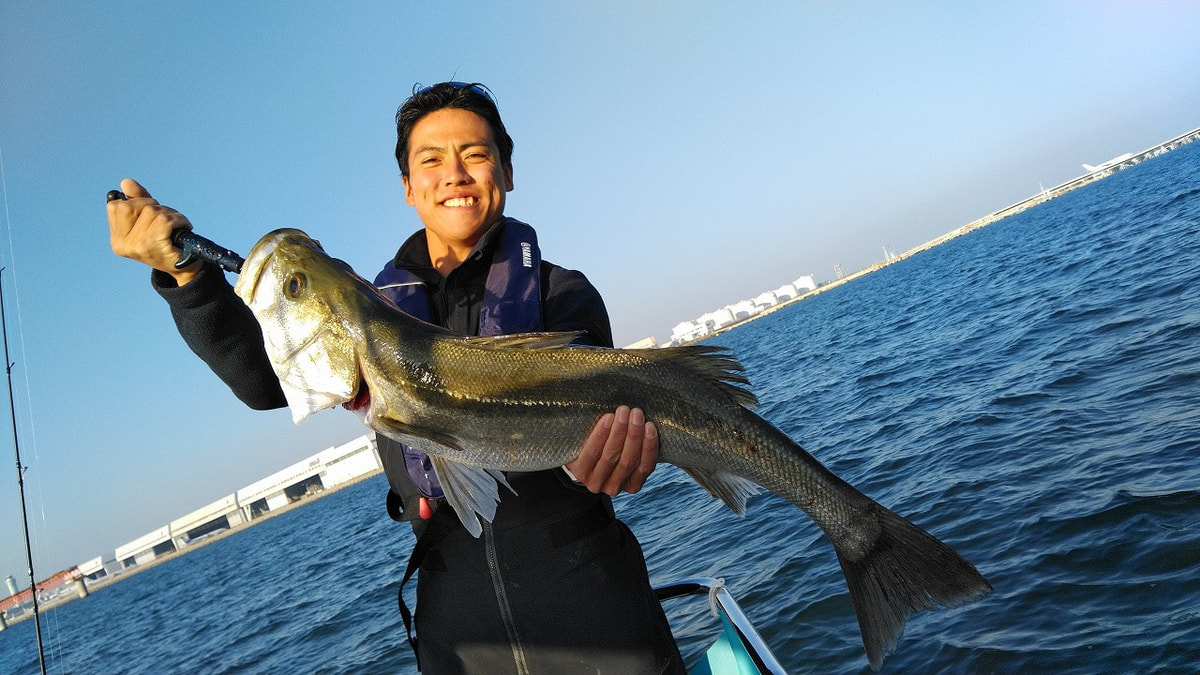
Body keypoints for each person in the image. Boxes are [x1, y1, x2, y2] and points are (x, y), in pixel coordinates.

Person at [107, 82, 685, 674]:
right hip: (458, 634)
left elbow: (611, 433)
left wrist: (620, 460)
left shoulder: (563, 295)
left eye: (476, 155)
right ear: (408, 188)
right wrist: (190, 279)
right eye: (430, 160)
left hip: (603, 623)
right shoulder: (372, 309)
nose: (454, 174)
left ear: (507, 171)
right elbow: (264, 380)